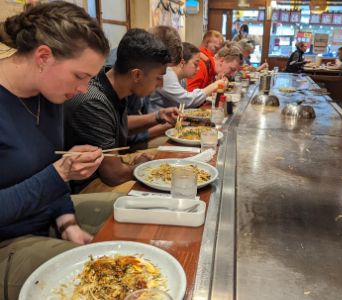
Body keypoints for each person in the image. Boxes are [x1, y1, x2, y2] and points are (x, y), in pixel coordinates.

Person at [0, 3, 118, 298]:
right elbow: (52, 176)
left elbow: (50, 174)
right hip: (6, 240)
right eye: (80, 76)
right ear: (43, 56)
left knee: (131, 211)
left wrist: (68, 223)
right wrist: (59, 174)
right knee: (103, 279)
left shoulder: (50, 96)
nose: (83, 89)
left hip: (43, 220)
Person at [63, 28, 178, 194]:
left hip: (112, 167)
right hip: (88, 186)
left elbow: (119, 127)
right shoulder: (94, 102)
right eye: (158, 78)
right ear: (137, 75)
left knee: (170, 160)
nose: (160, 85)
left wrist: (158, 116)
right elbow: (114, 176)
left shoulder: (114, 83)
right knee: (165, 187)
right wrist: (140, 167)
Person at [154, 43, 225, 110]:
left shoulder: (182, 79)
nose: (198, 68)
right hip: (157, 122)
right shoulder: (167, 75)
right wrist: (214, 85)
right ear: (182, 63)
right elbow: (187, 101)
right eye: (195, 64)